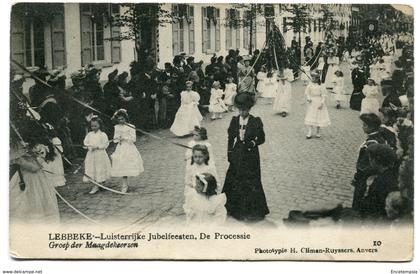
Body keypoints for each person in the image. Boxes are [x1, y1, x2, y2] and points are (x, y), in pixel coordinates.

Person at [223, 92, 269, 221]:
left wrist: (253, 143)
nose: (243, 113)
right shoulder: (234, 121)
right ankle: (234, 209)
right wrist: (230, 153)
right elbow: (230, 138)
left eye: (246, 110)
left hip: (251, 155)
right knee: (234, 178)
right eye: (241, 110)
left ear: (249, 109)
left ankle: (252, 210)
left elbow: (262, 138)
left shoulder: (255, 121)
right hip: (237, 153)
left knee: (251, 180)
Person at [10, 137, 60, 224]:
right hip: (21, 178)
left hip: (35, 179)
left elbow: (35, 167)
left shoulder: (40, 147)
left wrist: (21, 160)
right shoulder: (19, 147)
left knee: (36, 199)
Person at [352, 113, 386, 211]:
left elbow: (364, 164)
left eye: (364, 125)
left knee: (358, 200)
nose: (363, 127)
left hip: (365, 177)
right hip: (370, 175)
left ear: (371, 127)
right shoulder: (378, 137)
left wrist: (357, 176)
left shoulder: (372, 143)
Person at [359, 144, 399, 220]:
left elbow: (373, 207)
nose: (369, 160)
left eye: (370, 158)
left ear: (375, 160)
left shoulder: (381, 182)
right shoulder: (390, 174)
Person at [111, 109, 144, 193]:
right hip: (121, 148)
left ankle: (126, 184)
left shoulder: (131, 126)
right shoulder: (116, 127)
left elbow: (133, 139)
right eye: (119, 119)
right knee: (122, 165)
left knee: (127, 164)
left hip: (129, 148)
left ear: (126, 118)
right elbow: (115, 140)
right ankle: (124, 184)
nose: (121, 121)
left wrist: (125, 138)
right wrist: (118, 138)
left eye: (122, 119)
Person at [83, 116, 112, 194]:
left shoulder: (102, 134)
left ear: (99, 125)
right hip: (91, 155)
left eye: (95, 126)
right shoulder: (89, 134)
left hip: (100, 155)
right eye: (92, 126)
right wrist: (89, 147)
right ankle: (95, 184)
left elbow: (106, 144)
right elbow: (86, 142)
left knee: (99, 168)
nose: (94, 127)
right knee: (92, 168)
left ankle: (100, 183)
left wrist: (98, 147)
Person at [304, 71, 331, 139]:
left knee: (319, 117)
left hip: (318, 102)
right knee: (311, 116)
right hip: (312, 102)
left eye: (314, 78)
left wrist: (322, 103)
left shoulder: (321, 86)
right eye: (312, 77)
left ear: (317, 79)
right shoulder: (310, 85)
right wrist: (309, 98)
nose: (312, 79)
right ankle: (309, 132)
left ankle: (318, 131)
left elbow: (323, 95)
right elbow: (307, 93)